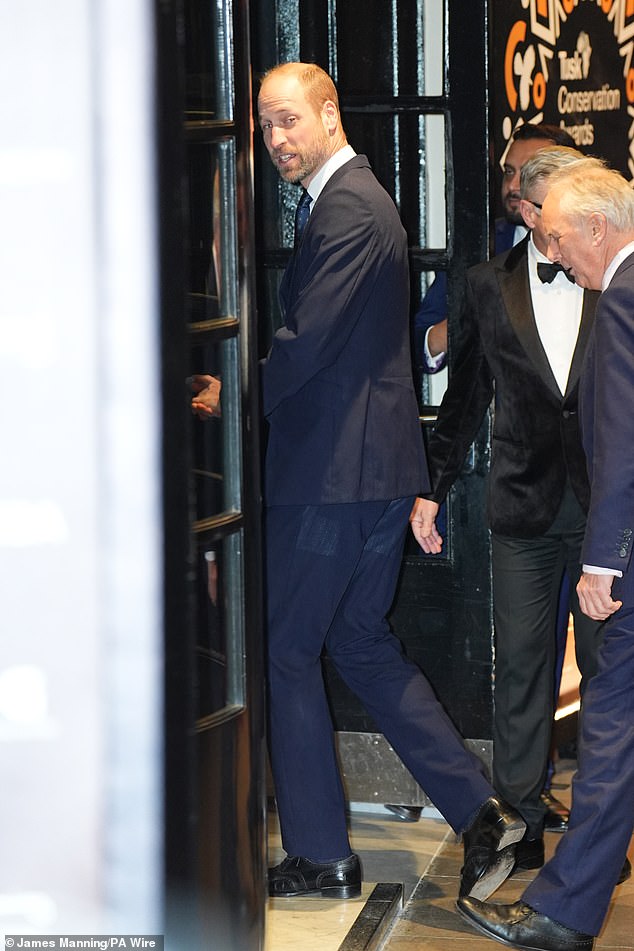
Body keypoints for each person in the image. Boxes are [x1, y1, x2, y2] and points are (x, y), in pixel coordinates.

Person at [258, 61, 525, 902]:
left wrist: (235, 395)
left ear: (330, 114)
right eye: (266, 125)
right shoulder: (359, 204)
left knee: (288, 651)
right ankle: (480, 812)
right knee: (363, 642)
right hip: (370, 475)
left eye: (289, 121)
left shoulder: (349, 208)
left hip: (334, 479)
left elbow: (307, 347)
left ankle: (320, 853)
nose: (276, 140)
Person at [410, 146, 606, 876]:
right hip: (522, 509)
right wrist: (432, 486)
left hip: (603, 512)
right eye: (548, 211)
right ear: (524, 209)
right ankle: (520, 829)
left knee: (607, 672)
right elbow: (464, 400)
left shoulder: (610, 277)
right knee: (520, 670)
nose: (562, 228)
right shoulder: (484, 287)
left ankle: (593, 836)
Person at [456, 159, 634, 951]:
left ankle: (564, 912)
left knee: (612, 728)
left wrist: (605, 559)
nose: (555, 253)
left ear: (597, 226)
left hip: (615, 545)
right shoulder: (508, 284)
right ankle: (559, 892)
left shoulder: (622, 297)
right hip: (534, 509)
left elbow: (625, 447)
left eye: (560, 237)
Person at [414, 123, 576, 375]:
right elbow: (418, 343)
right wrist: (466, 324)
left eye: (528, 175)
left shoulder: (596, 249)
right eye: (509, 172)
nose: (512, 186)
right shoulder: (476, 249)